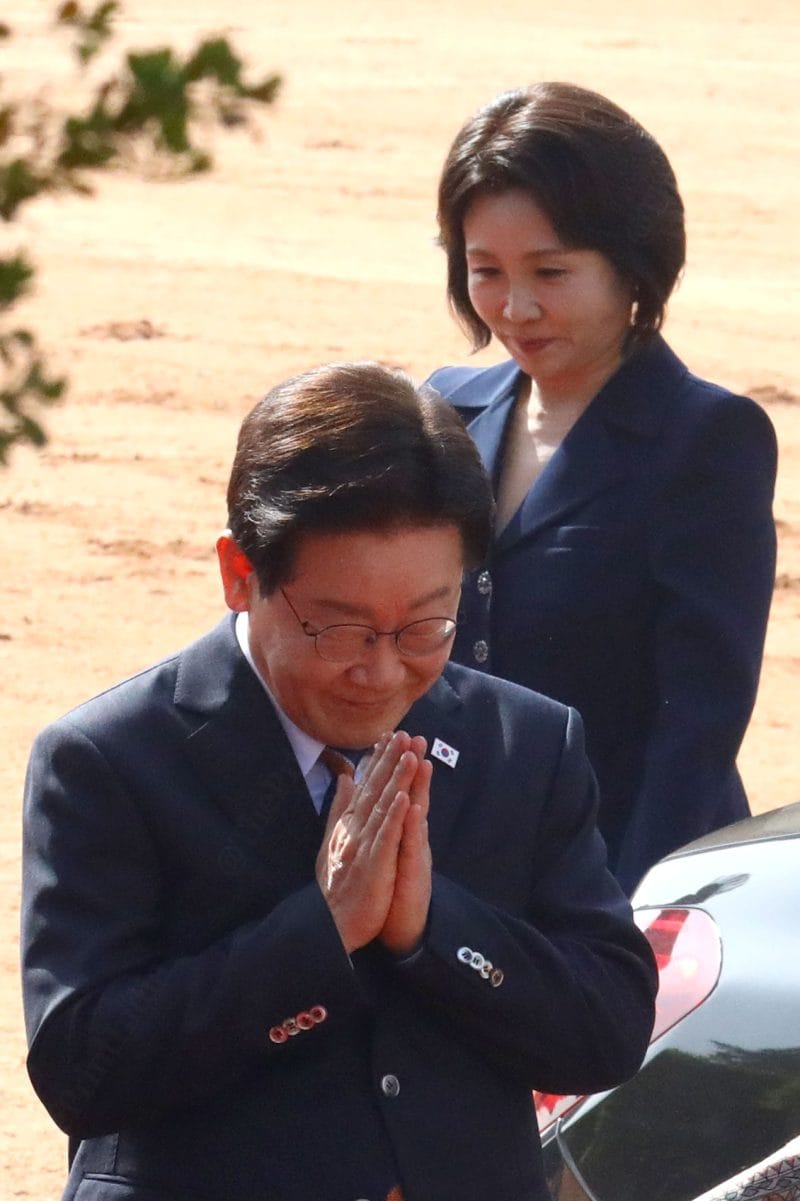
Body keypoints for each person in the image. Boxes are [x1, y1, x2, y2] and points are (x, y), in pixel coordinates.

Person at [21, 361, 657, 1201]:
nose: (383, 670)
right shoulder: (112, 759)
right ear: (240, 575)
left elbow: (606, 1029)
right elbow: (82, 1070)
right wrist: (319, 934)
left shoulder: (525, 744)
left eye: (427, 624)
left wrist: (433, 929)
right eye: (341, 628)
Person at [427, 82, 778, 895]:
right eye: (485, 270)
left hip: (615, 867)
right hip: (451, 876)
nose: (516, 307)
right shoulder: (442, 410)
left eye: (551, 271)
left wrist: (626, 923)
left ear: (633, 264)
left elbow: (696, 726)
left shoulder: (706, 439)